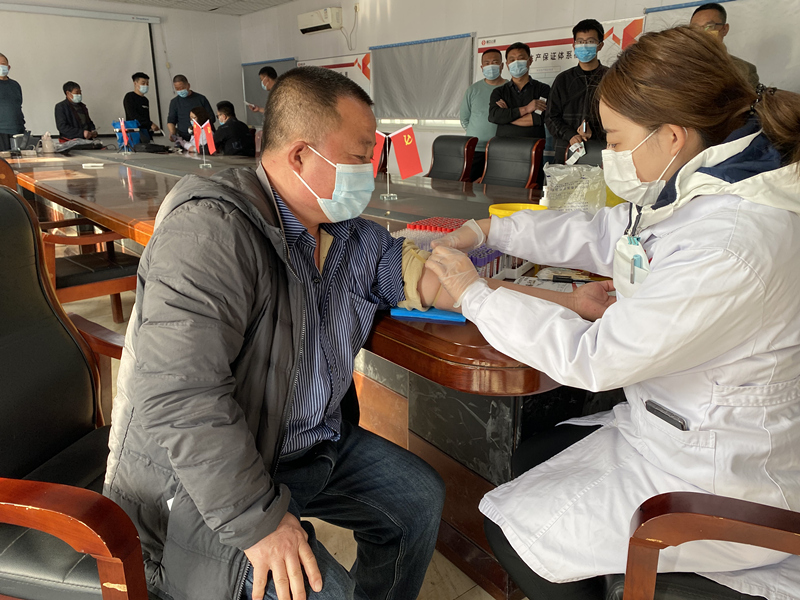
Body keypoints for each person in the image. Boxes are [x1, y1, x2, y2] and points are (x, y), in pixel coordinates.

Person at [426, 25, 800, 600]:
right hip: (673, 424)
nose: (612, 157)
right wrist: (491, 229)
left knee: (514, 533)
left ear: (671, 136)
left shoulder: (731, 240)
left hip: (721, 472)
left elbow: (593, 357)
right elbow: (603, 231)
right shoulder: (696, 188)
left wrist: (474, 295)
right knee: (532, 457)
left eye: (618, 141)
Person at [104, 66, 455, 600]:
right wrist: (258, 522)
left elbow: (423, 277)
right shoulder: (212, 232)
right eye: (359, 157)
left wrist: (552, 298)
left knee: (418, 499)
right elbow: (179, 394)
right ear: (299, 156)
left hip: (308, 447)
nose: (370, 171)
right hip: (209, 479)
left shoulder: (348, 236)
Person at [546, 19, 609, 163]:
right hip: (566, 149)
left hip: (600, 149)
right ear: (574, 45)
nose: (584, 46)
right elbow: (551, 117)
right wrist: (570, 135)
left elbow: (620, 117)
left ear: (600, 45)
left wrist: (597, 131)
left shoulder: (611, 78)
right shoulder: (563, 79)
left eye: (590, 41)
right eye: (580, 42)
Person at [460, 49, 506, 181]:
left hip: (500, 149)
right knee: (471, 185)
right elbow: (464, 119)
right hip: (475, 148)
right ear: (482, 67)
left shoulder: (509, 88)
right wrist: (477, 133)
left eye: (495, 62)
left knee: (496, 186)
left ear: (502, 65)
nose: (491, 66)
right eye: (487, 63)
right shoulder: (473, 90)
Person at [690, 2, 759, 90]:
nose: (702, 33)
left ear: (724, 29)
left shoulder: (745, 71)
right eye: (695, 28)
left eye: (709, 26)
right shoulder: (680, 66)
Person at [488, 42, 550, 139]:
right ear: (507, 64)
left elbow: (538, 119)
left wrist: (507, 117)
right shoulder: (499, 92)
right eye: (512, 60)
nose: (516, 63)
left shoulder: (543, 89)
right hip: (503, 144)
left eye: (521, 58)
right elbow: (494, 116)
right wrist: (526, 109)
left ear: (530, 60)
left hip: (533, 144)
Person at [167, 74, 214, 142]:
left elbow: (211, 117)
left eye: (182, 88)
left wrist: (200, 127)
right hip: (184, 137)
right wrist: (172, 133)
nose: (180, 90)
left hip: (203, 136)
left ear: (188, 85)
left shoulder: (201, 99)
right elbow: (171, 120)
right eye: (177, 89)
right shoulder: (174, 102)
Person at [123, 71, 160, 143]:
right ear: (135, 83)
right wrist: (150, 124)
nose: (145, 85)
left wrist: (150, 127)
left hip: (145, 132)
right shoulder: (130, 97)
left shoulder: (145, 100)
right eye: (143, 83)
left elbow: (146, 117)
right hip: (134, 132)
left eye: (147, 83)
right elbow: (132, 115)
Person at [0, 53, 25, 152]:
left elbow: (18, 106)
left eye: (3, 64)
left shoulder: (15, 85)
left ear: (8, 67)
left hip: (17, 131)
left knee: (19, 160)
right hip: (1, 132)